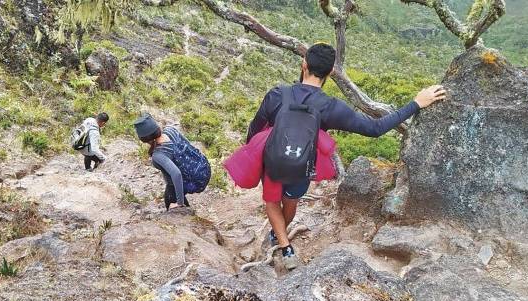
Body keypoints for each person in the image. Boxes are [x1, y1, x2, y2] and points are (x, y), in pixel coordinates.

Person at [247, 43, 446, 271]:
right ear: (331, 72)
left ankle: (284, 245)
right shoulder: (330, 107)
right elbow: (375, 128)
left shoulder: (277, 94)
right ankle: (280, 237)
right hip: (302, 164)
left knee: (272, 201)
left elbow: (255, 128)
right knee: (290, 201)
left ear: (304, 64)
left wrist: (251, 156)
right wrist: (416, 104)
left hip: (272, 160)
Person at [135, 113, 211, 211]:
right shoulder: (170, 130)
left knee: (171, 198)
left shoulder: (158, 154)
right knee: (171, 193)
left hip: (193, 182)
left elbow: (176, 174)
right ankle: (188, 211)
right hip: (203, 169)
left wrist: (179, 203)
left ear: (144, 139)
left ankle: (183, 209)